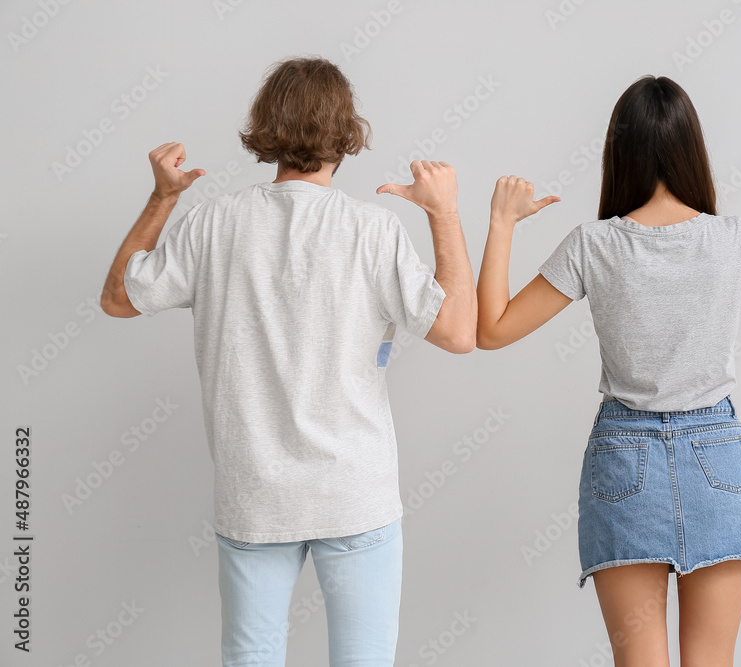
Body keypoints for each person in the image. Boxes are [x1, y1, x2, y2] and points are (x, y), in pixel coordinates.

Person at [99, 56, 477, 666]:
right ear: (347, 133)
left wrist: (162, 197)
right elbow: (460, 333)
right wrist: (445, 213)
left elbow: (119, 298)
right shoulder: (370, 231)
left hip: (254, 496)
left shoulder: (213, 223)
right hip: (355, 495)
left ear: (265, 126)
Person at [476, 75, 741, 665]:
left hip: (623, 457)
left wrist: (501, 225)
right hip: (719, 458)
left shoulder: (592, 244)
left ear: (616, 153)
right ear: (691, 150)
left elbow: (492, 331)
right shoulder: (735, 240)